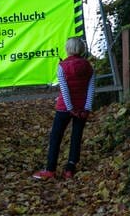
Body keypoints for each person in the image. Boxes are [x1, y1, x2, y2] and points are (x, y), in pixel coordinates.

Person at [33, 37, 95, 180]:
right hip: (82, 109)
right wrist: (86, 108)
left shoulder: (62, 66)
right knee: (76, 137)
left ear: (68, 49)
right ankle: (70, 169)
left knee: (56, 137)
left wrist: (70, 108)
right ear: (81, 49)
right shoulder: (89, 66)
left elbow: (64, 90)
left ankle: (50, 170)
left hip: (64, 109)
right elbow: (91, 88)